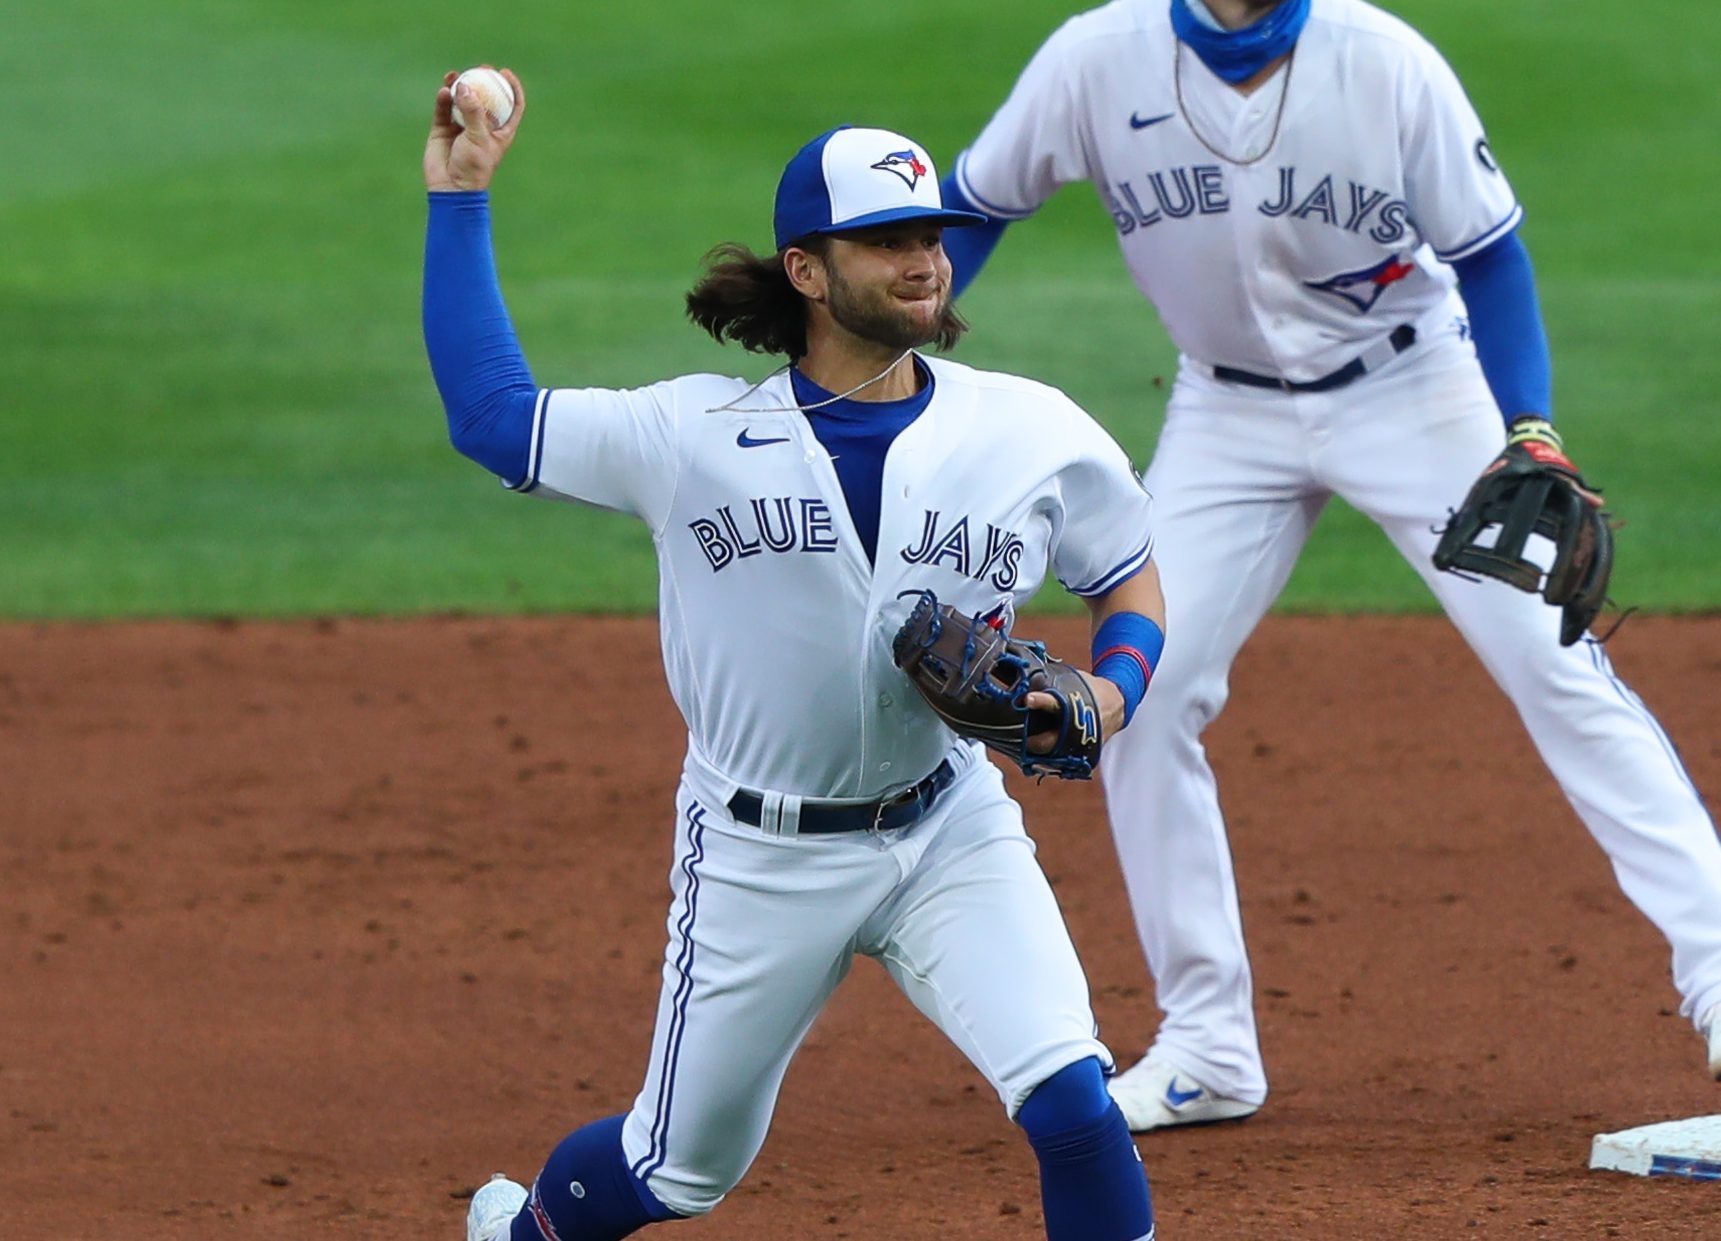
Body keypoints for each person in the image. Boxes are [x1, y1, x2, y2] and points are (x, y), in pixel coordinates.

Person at [938, 0, 1721, 1132]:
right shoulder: (1093, 61)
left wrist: (1528, 426)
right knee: (1138, 693)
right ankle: (1206, 1044)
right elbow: (971, 205)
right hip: (1221, 409)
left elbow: (1488, 255)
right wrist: (882, 348)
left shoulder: (1381, 59)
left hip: (1416, 391)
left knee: (1553, 667)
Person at [422, 69, 1168, 1241]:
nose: (922, 259)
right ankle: (519, 1230)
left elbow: (1125, 573)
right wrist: (459, 196)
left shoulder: (1028, 429)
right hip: (756, 854)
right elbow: (491, 417)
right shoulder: (691, 436)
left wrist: (1106, 691)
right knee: (674, 1170)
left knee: (1074, 1104)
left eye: (928, 234)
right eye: (884, 240)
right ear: (807, 272)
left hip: (947, 827)